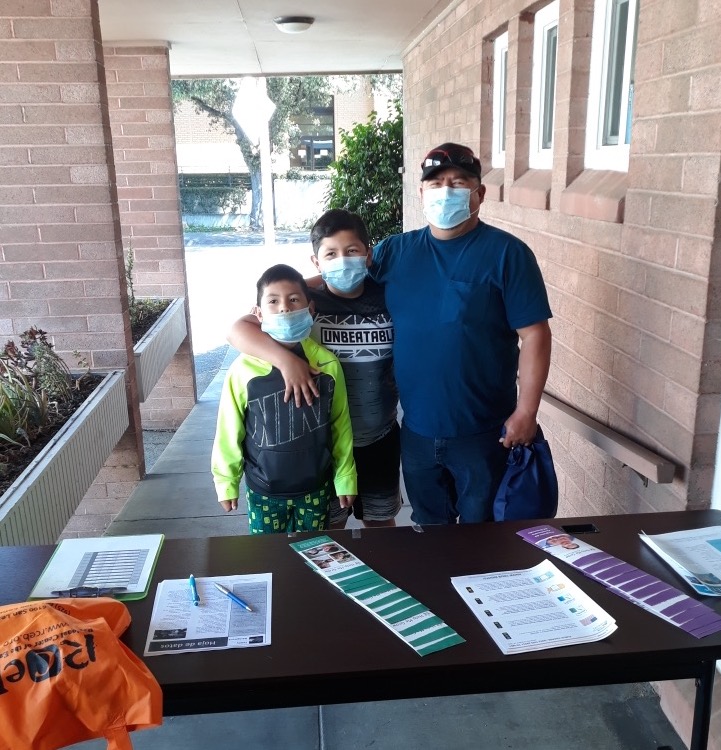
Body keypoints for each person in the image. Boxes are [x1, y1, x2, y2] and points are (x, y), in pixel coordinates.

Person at [369, 142, 552, 525]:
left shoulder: (508, 254)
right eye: (435, 183)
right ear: (421, 193)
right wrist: (278, 301)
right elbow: (341, 283)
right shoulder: (395, 253)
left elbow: (534, 334)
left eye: (458, 182)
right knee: (429, 533)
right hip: (416, 431)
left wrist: (527, 411)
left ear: (479, 193)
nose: (445, 191)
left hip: (484, 434)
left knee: (482, 537)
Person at [227, 209, 401, 529]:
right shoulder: (306, 305)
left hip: (379, 438)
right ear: (317, 262)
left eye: (352, 251)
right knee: (329, 532)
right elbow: (238, 329)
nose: (343, 261)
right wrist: (286, 360)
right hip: (323, 448)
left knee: (381, 526)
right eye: (331, 254)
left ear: (368, 254)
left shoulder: (390, 299)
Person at [211, 263, 357, 534]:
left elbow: (341, 426)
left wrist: (346, 478)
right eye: (273, 301)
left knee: (313, 554)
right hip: (264, 491)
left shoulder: (327, 365)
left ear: (310, 308)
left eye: (293, 299)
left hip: (316, 488)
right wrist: (226, 481)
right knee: (269, 558)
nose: (284, 308)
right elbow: (229, 430)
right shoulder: (244, 370)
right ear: (258, 313)